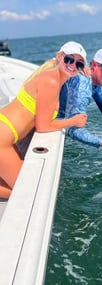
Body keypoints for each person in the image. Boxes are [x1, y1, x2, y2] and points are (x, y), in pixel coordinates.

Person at [0, 41, 88, 199]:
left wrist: (84, 68)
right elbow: (43, 126)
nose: (73, 65)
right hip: (2, 139)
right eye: (69, 59)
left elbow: (59, 63)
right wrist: (73, 121)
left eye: (79, 64)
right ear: (60, 57)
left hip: (5, 133)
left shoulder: (52, 71)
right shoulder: (51, 81)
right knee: (28, 191)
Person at [58, 47, 102, 150]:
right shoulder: (81, 87)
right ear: (94, 65)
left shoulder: (94, 80)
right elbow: (72, 129)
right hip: (49, 120)